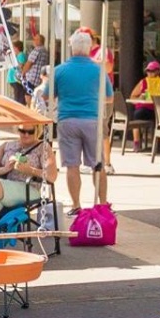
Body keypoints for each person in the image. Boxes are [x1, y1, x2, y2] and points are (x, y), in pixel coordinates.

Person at [43, 30, 111, 213]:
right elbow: (109, 97)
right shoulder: (99, 70)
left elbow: (46, 96)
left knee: (72, 166)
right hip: (92, 120)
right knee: (98, 164)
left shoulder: (59, 70)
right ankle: (102, 204)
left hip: (67, 120)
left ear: (71, 48)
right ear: (89, 48)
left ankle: (76, 205)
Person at [0, 123, 56, 227]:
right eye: (22, 131)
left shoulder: (43, 147)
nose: (26, 135)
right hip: (6, 186)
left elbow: (52, 176)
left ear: (37, 131)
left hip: (29, 188)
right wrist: (4, 169)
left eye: (30, 132)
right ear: (17, 129)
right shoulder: (7, 145)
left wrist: (29, 170)